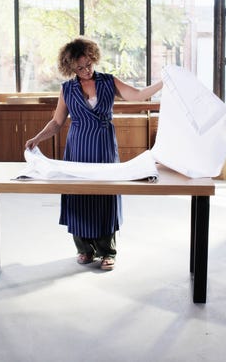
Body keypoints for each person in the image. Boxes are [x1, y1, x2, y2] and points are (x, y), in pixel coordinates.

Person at [25, 37, 162, 271]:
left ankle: (108, 251)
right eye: (80, 67)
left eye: (89, 64)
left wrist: (163, 82)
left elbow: (138, 95)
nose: (86, 70)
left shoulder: (109, 81)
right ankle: (84, 250)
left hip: (104, 147)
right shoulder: (67, 89)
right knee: (79, 195)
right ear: (71, 68)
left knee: (105, 195)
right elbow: (57, 123)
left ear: (93, 58)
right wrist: (37, 138)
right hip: (77, 148)